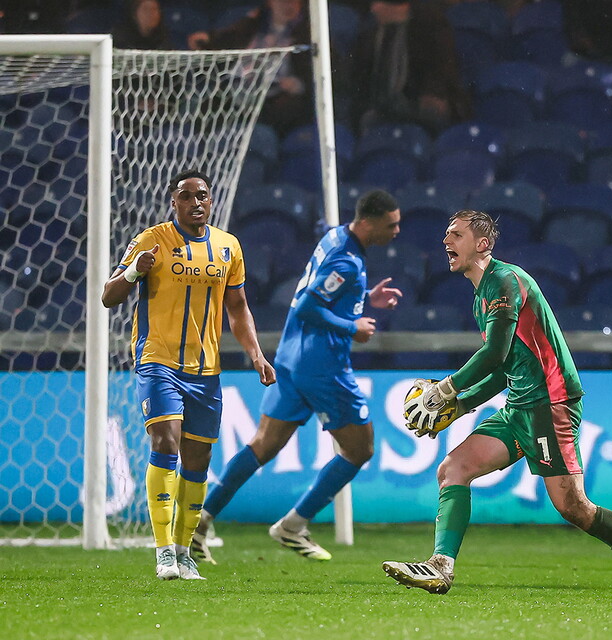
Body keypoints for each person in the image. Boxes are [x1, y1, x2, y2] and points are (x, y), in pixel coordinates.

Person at [381, 210, 612, 598]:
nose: (446, 241)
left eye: (456, 235)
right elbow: (502, 367)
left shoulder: (506, 281)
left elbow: (493, 352)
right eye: (446, 234)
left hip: (550, 402)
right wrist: (460, 403)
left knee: (573, 506)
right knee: (453, 468)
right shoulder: (482, 296)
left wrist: (447, 389)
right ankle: (441, 567)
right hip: (520, 403)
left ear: (483, 244)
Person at [190, 190, 402, 564]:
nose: (397, 231)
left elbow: (323, 290)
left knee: (263, 445)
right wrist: (352, 325)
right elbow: (307, 305)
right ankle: (293, 525)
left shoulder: (336, 237)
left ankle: (198, 524)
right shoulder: (347, 260)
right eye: (392, 225)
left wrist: (365, 297)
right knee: (360, 448)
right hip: (322, 368)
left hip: (290, 358)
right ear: (369, 223)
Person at [101, 169, 276, 581]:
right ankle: (163, 552)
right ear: (173, 202)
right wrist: (132, 272)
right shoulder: (151, 241)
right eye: (187, 196)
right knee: (166, 439)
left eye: (204, 196)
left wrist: (255, 354)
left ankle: (184, 551)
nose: (197, 202)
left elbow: (237, 308)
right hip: (157, 359)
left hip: (206, 370)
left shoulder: (228, 247)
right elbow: (109, 297)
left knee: (198, 459)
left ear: (210, 202)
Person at [188, 0, 317, 137]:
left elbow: (321, 73)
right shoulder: (253, 23)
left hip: (275, 99)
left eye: (293, 2)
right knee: (209, 106)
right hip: (238, 93)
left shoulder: (309, 33)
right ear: (270, 2)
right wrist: (207, 40)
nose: (288, 5)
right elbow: (224, 40)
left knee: (282, 113)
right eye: (282, 1)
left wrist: (300, 84)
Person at [350, 0, 471, 135]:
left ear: (400, 7)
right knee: (368, 119)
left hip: (420, 102)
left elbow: (441, 71)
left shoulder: (430, 28)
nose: (374, 9)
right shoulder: (371, 37)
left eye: (380, 4)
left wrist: (431, 94)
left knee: (432, 113)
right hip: (383, 106)